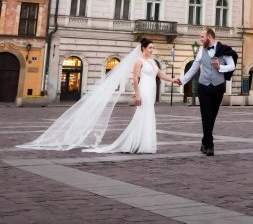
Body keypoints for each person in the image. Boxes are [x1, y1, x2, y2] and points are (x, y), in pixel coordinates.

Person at [17, 38, 172, 153]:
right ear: (143, 48)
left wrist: (174, 80)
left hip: (151, 90)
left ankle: (144, 143)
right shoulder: (139, 61)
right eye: (150, 47)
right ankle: (137, 143)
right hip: (144, 90)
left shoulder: (153, 62)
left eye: (153, 48)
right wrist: (136, 94)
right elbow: (135, 79)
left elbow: (161, 75)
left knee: (148, 115)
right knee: (142, 115)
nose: (152, 50)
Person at [176, 27, 236, 156]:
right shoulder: (201, 52)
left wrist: (221, 67)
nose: (200, 39)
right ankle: (210, 145)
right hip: (203, 87)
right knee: (206, 115)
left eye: (202, 37)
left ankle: (204, 141)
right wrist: (182, 80)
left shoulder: (223, 50)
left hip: (218, 86)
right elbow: (193, 68)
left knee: (212, 116)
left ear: (209, 36)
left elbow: (232, 66)